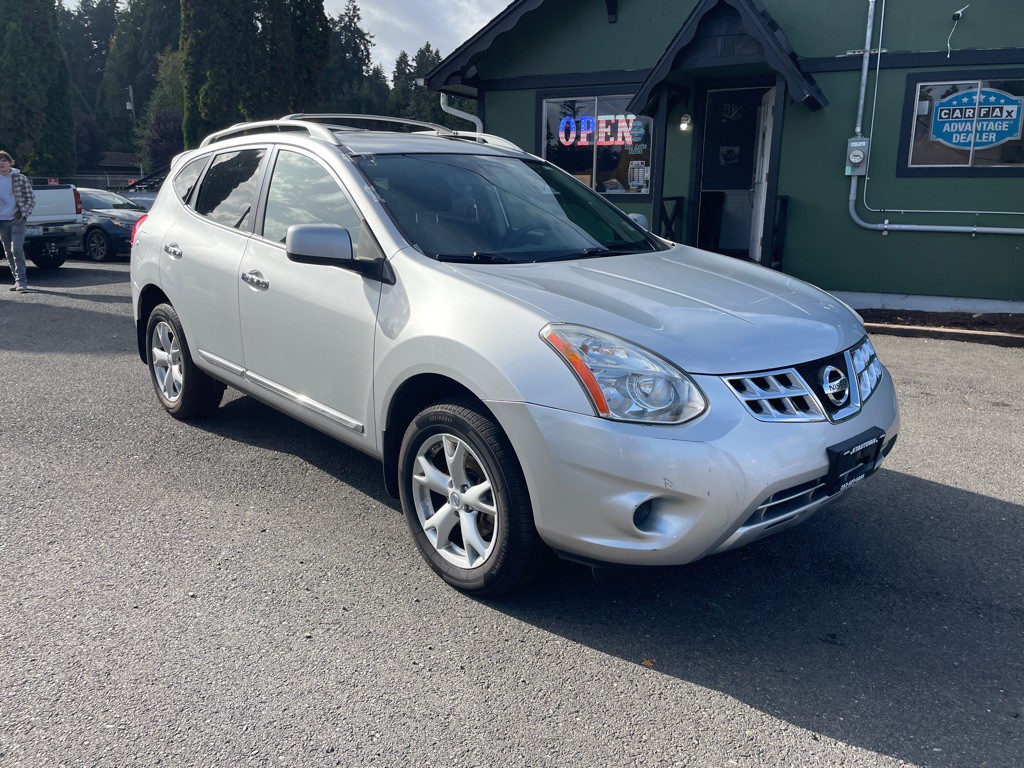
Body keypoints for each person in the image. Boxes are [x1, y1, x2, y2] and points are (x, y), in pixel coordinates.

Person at [0, 150, 36, 292]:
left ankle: (22, 281)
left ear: (10, 163)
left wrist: (22, 213)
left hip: (17, 218)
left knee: (17, 249)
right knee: (8, 251)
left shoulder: (20, 178)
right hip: (1, 220)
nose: (1, 163)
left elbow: (31, 199)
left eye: (4, 160)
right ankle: (16, 279)